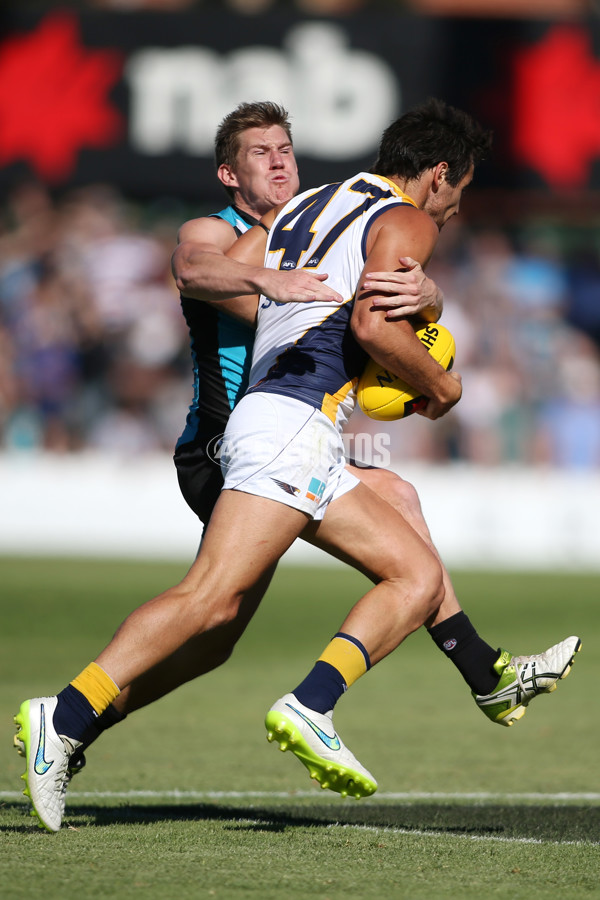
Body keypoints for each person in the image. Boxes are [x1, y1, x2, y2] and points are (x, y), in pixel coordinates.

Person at [14, 100, 580, 832]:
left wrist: (422, 298)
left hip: (286, 424)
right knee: (214, 596)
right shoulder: (398, 220)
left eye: (286, 147)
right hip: (267, 429)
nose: (280, 161)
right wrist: (442, 385)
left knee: (390, 552)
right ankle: (69, 713)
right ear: (440, 175)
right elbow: (351, 317)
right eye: (459, 194)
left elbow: (350, 307)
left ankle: (481, 675)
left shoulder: (307, 207)